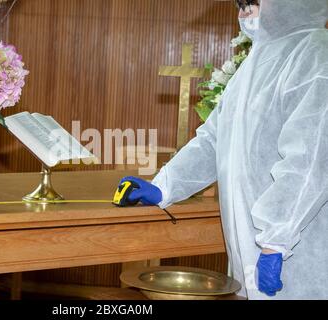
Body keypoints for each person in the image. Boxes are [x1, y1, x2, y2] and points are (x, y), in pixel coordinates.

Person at [118, 0, 328, 299]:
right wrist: (164, 187)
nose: (243, 14)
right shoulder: (255, 62)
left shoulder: (315, 54)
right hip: (254, 246)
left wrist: (276, 240)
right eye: (240, 4)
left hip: (293, 250)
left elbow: (311, 159)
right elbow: (213, 140)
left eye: (252, 3)